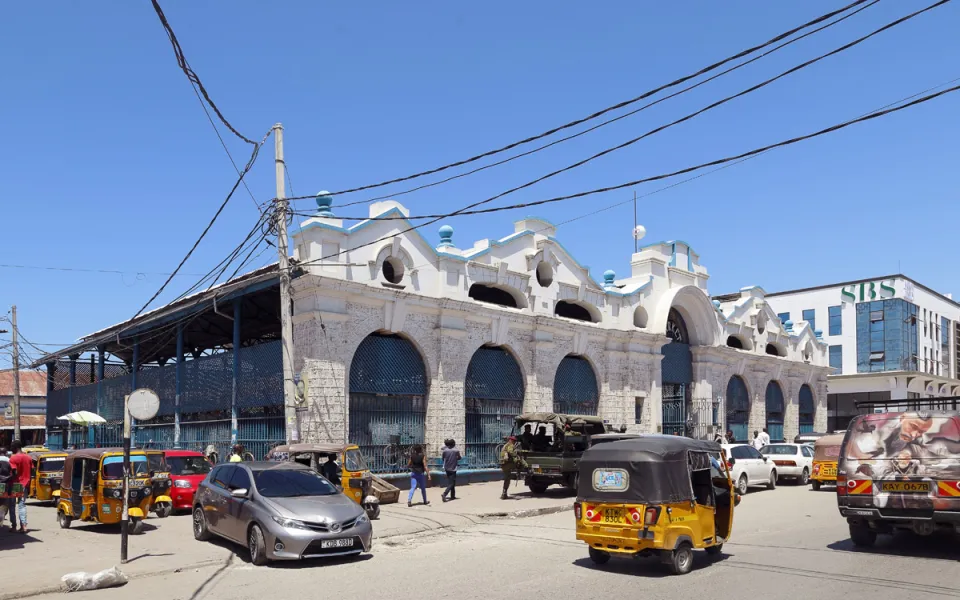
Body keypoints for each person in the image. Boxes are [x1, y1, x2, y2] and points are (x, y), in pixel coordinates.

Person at [9, 440, 31, 533]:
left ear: (16, 447)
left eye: (12, 447)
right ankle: (24, 526)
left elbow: (14, 472)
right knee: (22, 505)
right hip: (26, 484)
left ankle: (14, 526)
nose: (11, 449)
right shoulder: (28, 458)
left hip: (16, 484)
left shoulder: (13, 458)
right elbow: (31, 472)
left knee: (12, 505)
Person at [499, 435, 526, 500]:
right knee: (508, 479)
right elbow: (511, 452)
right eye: (514, 441)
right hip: (508, 464)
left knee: (507, 479)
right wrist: (516, 456)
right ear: (511, 440)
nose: (514, 442)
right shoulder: (510, 445)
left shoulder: (505, 445)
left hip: (504, 464)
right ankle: (504, 493)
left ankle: (504, 494)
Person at [441, 438, 461, 502]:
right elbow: (459, 457)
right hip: (453, 468)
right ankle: (445, 494)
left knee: (451, 482)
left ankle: (452, 496)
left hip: (447, 468)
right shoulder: (456, 450)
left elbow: (443, 458)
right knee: (452, 483)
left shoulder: (445, 451)